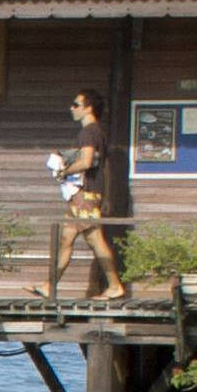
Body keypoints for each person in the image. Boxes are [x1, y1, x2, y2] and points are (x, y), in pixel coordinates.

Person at [52, 90, 116, 295]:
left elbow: (86, 162)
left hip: (85, 195)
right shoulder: (98, 131)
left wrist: (63, 171)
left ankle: (115, 285)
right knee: (66, 238)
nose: (72, 108)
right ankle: (49, 285)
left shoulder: (88, 132)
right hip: (85, 195)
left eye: (76, 104)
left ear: (88, 108)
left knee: (95, 239)